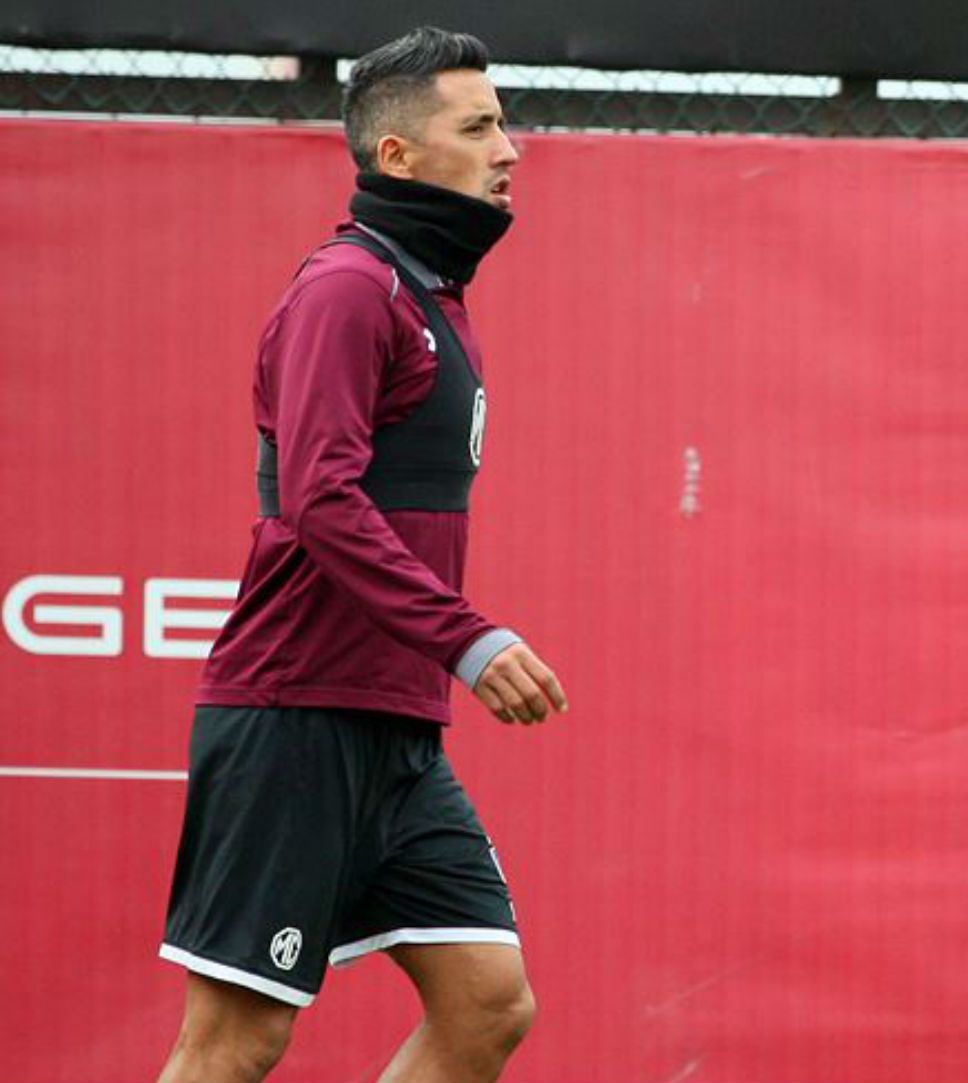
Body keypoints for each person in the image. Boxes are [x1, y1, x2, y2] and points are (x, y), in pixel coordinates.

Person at [155, 27, 568, 1083]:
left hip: (397, 733)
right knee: (237, 1041)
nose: (509, 147)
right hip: (294, 718)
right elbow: (319, 500)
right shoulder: (348, 290)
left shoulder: (431, 299)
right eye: (478, 127)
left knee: (486, 1006)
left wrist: (441, 663)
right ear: (398, 158)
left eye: (504, 122)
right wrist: (468, 641)